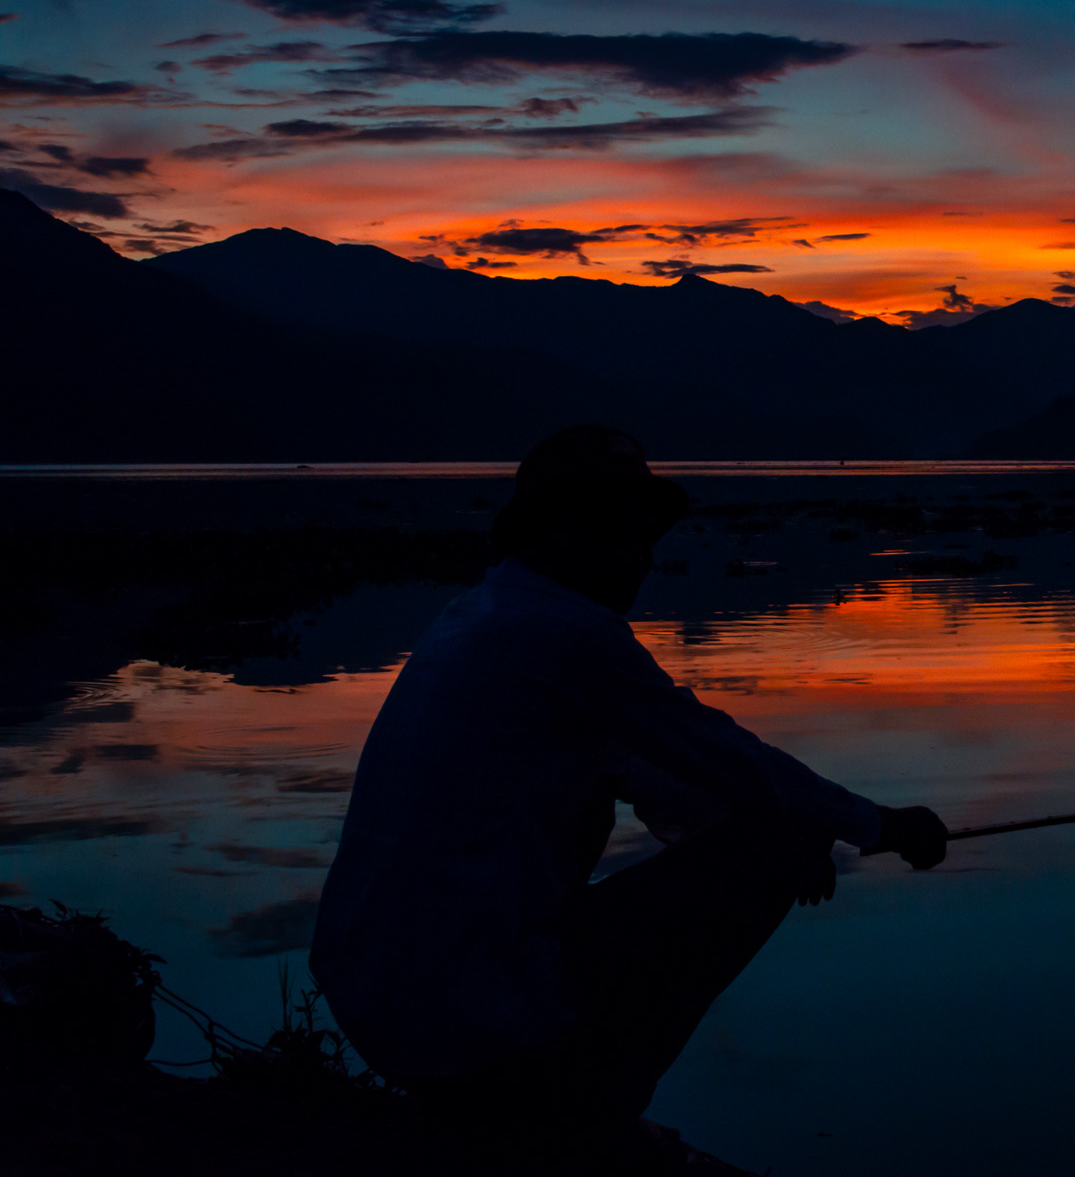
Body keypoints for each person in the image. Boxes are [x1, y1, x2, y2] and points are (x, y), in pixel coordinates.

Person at [309, 426, 947, 1140]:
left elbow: (676, 788)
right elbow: (730, 759)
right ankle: (589, 1109)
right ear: (558, 533)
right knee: (778, 827)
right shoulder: (565, 635)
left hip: (378, 1005)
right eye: (619, 531)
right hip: (458, 1010)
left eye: (644, 536)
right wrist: (877, 826)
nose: (641, 560)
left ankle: (549, 1097)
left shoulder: (474, 620)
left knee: (776, 831)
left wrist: (776, 844)